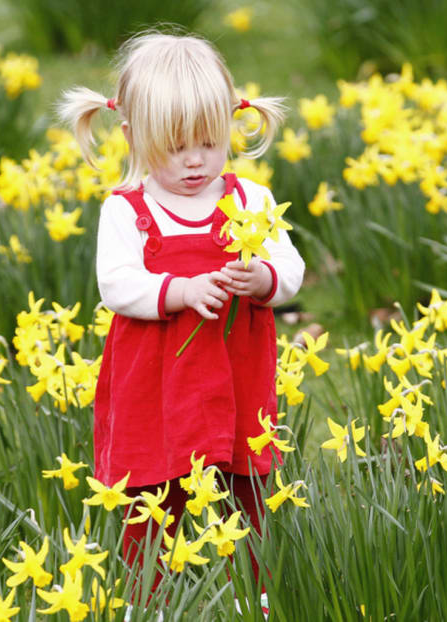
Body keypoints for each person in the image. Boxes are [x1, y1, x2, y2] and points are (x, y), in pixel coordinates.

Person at [57, 29, 304, 598]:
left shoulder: (251, 201)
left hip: (237, 378)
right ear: (133, 136)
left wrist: (263, 280)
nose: (195, 160)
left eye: (209, 142)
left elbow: (290, 268)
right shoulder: (127, 210)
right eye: (174, 147)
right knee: (151, 495)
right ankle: (149, 603)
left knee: (247, 491)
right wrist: (180, 291)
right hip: (155, 388)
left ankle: (255, 599)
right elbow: (116, 285)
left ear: (230, 126)